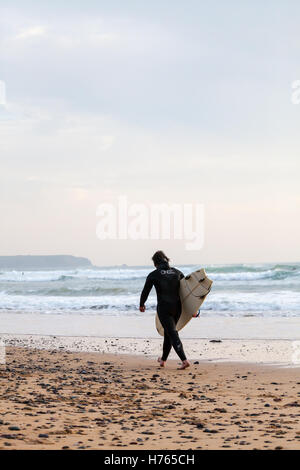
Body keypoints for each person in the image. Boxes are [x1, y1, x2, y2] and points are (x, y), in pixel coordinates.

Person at [139, 251, 190, 370]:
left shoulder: (154, 274)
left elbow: (145, 290)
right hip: (177, 308)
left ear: (155, 263)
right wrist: (193, 309)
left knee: (172, 333)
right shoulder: (177, 272)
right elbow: (188, 291)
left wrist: (142, 304)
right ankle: (163, 360)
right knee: (169, 333)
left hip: (164, 308)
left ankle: (184, 360)